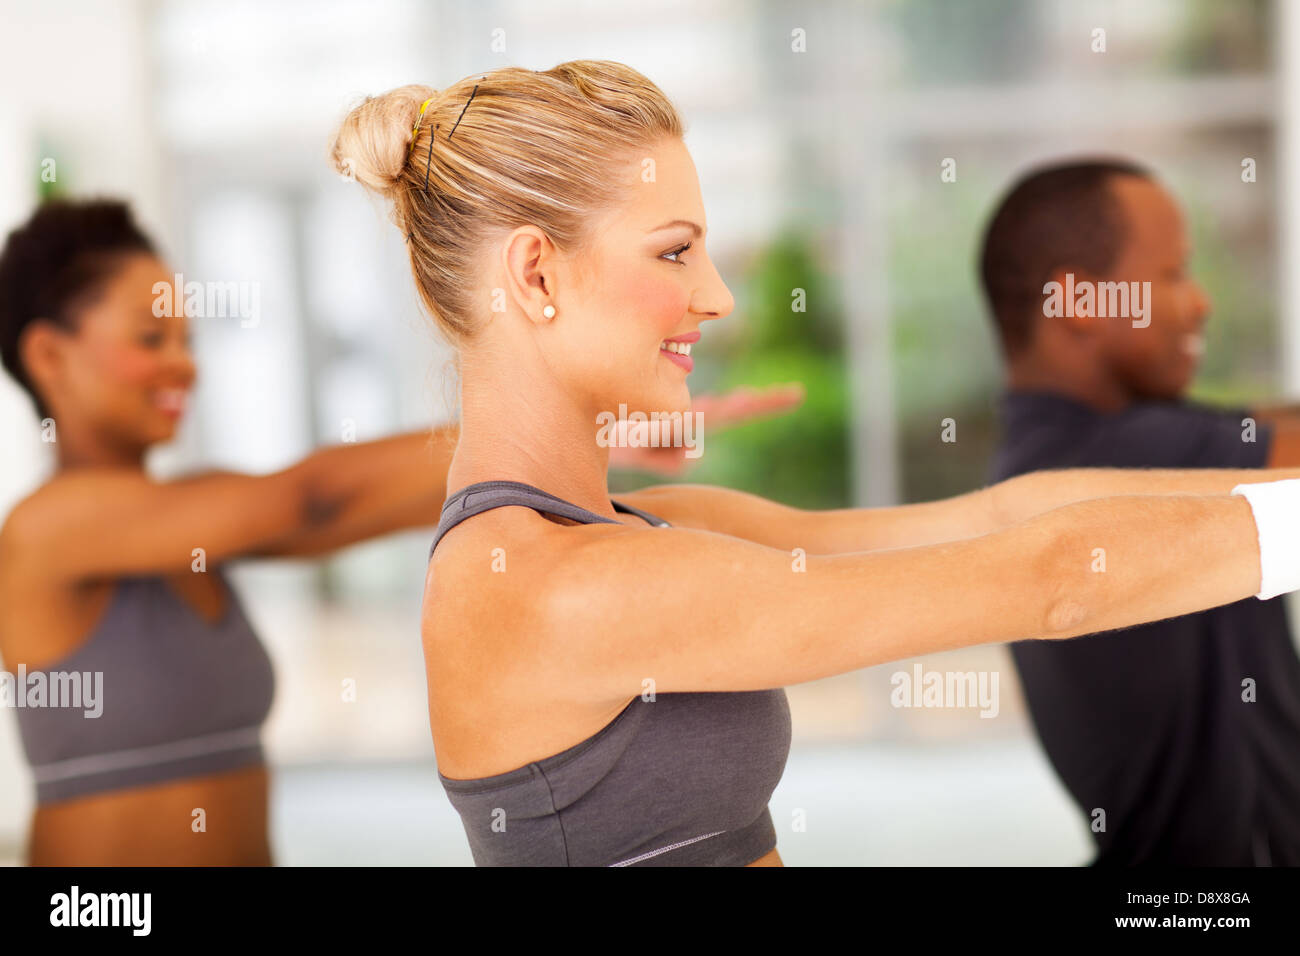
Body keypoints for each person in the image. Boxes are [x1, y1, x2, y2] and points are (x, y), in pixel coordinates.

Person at [333, 60, 1300, 868]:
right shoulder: (545, 587)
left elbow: (997, 518)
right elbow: (1047, 580)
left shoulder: (647, 530)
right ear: (535, 272)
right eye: (674, 253)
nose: (716, 295)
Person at [0, 198, 799, 865]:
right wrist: (568, 421)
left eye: (187, 339)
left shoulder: (187, 518)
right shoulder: (47, 531)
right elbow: (316, 498)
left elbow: (366, 505)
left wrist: (591, 436)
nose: (184, 366)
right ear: (48, 355)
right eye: (151, 339)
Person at [980, 159, 1300, 865]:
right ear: (1083, 303)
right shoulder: (1103, 466)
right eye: (1174, 273)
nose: (1201, 302)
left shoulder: (1126, 441)